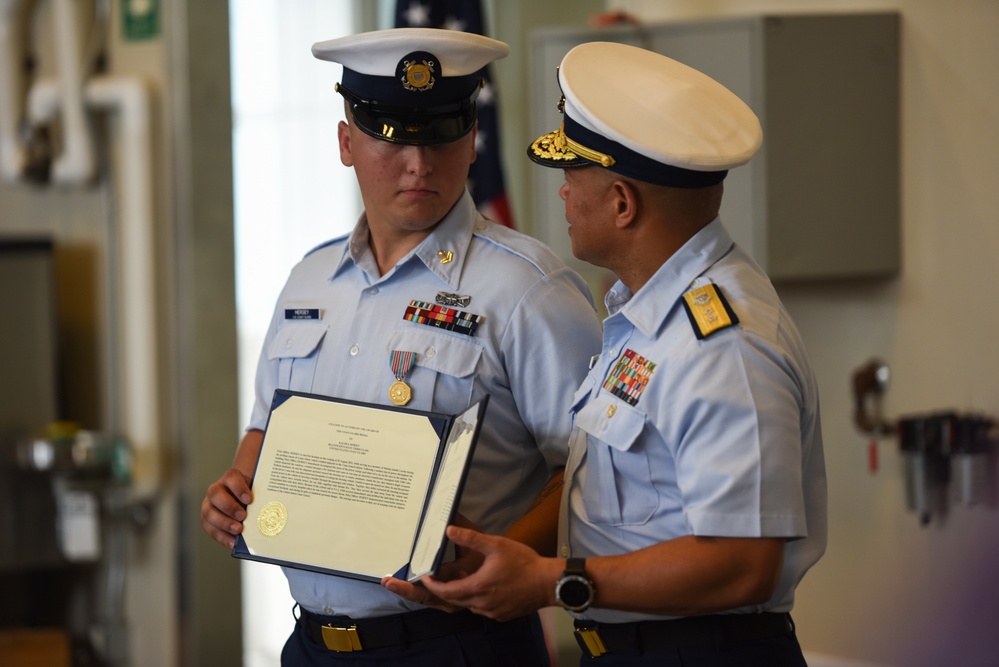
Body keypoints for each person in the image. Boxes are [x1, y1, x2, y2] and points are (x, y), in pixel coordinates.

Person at [408, 41, 829, 666]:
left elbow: (744, 564)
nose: (562, 197)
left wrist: (552, 580)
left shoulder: (724, 346)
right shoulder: (647, 318)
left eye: (572, 178)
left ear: (622, 203)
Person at [200, 28, 603, 666]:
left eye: (441, 134)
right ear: (345, 143)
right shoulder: (309, 280)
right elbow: (265, 427)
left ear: (472, 140)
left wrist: (499, 565)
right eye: (392, 137)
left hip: (459, 643)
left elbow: (592, 470)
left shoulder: (530, 289)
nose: (418, 164)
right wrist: (236, 488)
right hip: (312, 647)